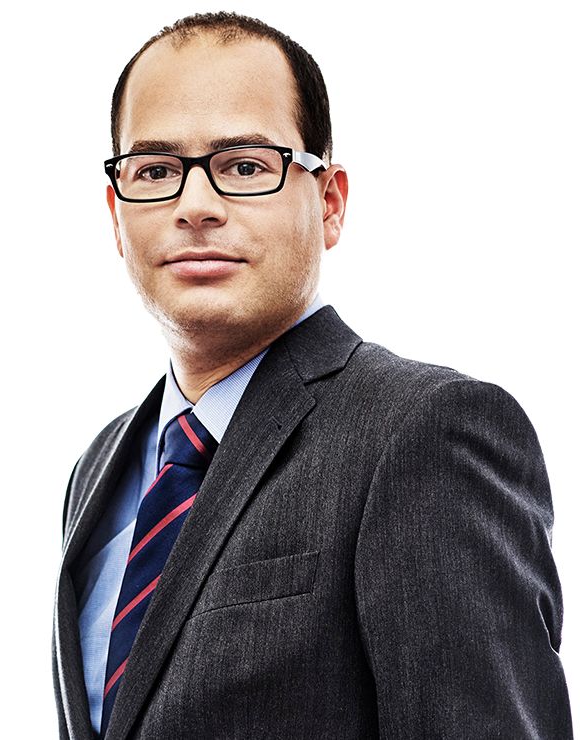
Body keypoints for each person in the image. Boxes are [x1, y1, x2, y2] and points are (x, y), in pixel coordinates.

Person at [52, 11, 573, 740]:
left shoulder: (425, 433)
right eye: (156, 171)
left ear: (329, 202)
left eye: (244, 166)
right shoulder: (99, 467)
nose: (194, 207)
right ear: (115, 213)